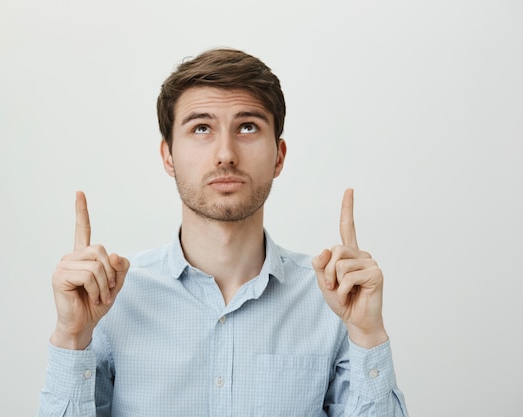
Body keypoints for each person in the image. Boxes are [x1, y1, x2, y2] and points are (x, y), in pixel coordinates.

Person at [37, 48, 409, 417]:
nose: (226, 154)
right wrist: (72, 338)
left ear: (279, 156)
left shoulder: (333, 301)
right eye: (201, 128)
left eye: (248, 127)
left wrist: (367, 335)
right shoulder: (110, 300)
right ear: (168, 155)